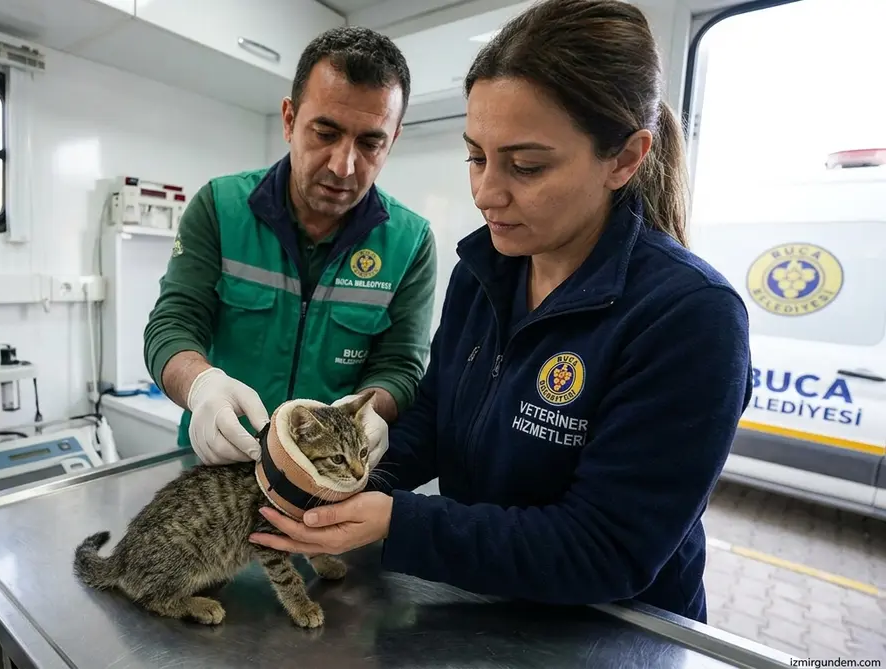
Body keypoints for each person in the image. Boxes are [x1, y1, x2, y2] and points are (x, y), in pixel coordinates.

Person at [249, 0, 753, 625]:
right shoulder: (486, 270)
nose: (487, 192)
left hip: (612, 631)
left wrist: (400, 521)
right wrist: (356, 473)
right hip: (484, 608)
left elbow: (608, 548)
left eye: (527, 166)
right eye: (476, 156)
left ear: (623, 159)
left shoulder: (688, 318)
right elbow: (438, 413)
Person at [143, 26, 438, 467]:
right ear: (288, 120)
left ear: (392, 141)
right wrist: (200, 385)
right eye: (325, 133)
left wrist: (371, 409)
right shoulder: (220, 208)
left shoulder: (410, 242)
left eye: (370, 142)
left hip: (324, 478)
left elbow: (400, 366)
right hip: (217, 465)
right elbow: (172, 323)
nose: (343, 166)